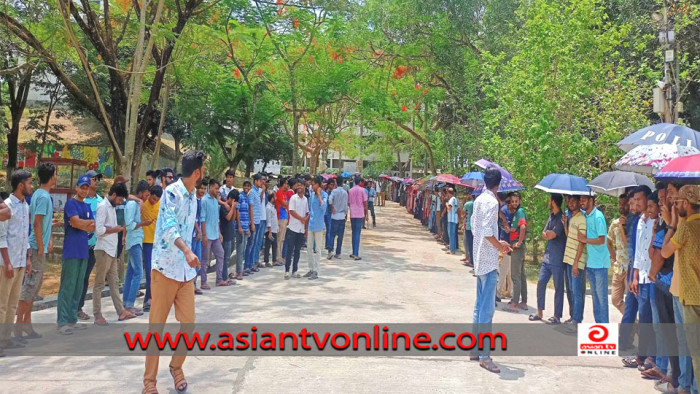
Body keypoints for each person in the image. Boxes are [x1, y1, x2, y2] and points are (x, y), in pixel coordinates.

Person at [143, 150, 204, 394]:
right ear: (197, 173)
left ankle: (176, 366)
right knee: (156, 328)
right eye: (203, 171)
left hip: (185, 274)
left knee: (188, 325)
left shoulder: (194, 198)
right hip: (165, 270)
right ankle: (149, 382)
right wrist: (187, 250)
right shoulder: (171, 193)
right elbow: (168, 228)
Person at [471, 166, 512, 374]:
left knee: (479, 307)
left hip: (479, 259)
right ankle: (485, 355)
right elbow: (488, 232)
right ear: (499, 183)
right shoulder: (492, 202)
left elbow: (475, 227)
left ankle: (475, 349)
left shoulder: (479, 200)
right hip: (487, 262)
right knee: (487, 310)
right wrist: (501, 246)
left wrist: (497, 241)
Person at [661, 184, 700, 391]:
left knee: (693, 350)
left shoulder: (685, 227)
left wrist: (672, 225)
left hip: (690, 296)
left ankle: (691, 388)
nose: (674, 205)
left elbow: (665, 252)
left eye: (677, 202)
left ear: (686, 203)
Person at [15, 162, 56, 340]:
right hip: (35, 247)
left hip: (39, 246)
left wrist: (48, 239)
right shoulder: (43, 197)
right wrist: (40, 246)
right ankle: (17, 328)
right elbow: (37, 222)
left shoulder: (41, 195)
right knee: (29, 289)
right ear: (52, 175)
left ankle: (27, 324)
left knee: (34, 290)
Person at [55, 174, 95, 335]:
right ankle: (62, 321)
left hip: (83, 251)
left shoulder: (86, 207)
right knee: (67, 286)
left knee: (78, 286)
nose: (84, 190)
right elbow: (75, 222)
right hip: (71, 250)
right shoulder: (71, 204)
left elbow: (92, 226)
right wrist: (83, 224)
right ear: (77, 188)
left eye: (87, 188)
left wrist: (82, 224)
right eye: (82, 187)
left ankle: (72, 319)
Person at [0, 170, 33, 352]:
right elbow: (1, 237)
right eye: (29, 182)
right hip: (7, 263)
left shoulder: (25, 206)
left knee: (13, 303)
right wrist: (8, 262)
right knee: (2, 304)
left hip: (20, 261)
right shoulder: (7, 206)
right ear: (21, 185)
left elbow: (24, 235)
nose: (31, 186)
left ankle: (6, 338)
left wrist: (27, 258)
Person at [93, 182, 134, 325]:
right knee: (99, 284)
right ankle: (97, 314)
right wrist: (114, 230)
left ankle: (121, 311)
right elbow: (98, 230)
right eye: (119, 199)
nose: (120, 202)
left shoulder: (112, 207)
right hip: (103, 249)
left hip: (112, 250)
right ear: (114, 195)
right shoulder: (102, 207)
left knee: (114, 283)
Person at [530, 194, 566, 324]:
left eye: (550, 200)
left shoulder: (562, 218)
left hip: (558, 258)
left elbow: (551, 234)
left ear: (553, 202)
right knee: (541, 282)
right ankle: (539, 312)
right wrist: (548, 234)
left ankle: (557, 316)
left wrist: (549, 234)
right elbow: (544, 234)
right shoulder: (551, 216)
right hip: (547, 257)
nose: (548, 202)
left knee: (558, 287)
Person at [578, 193, 611, 324]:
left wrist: (584, 240)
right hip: (591, 263)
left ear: (591, 200)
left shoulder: (598, 217)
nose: (581, 202)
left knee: (602, 300)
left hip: (600, 265)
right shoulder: (586, 216)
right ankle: (599, 327)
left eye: (584, 199)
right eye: (580, 200)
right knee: (595, 298)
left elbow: (602, 240)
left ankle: (605, 328)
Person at [77, 170, 103, 321]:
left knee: (85, 277)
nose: (96, 181)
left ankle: (79, 307)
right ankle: (73, 307)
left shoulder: (100, 201)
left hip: (94, 246)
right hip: (81, 244)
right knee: (78, 277)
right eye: (94, 179)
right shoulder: (82, 200)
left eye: (97, 179)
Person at [123, 181, 152, 315]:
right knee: (138, 273)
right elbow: (129, 225)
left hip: (136, 240)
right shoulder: (131, 205)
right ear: (140, 193)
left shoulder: (136, 204)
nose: (146, 197)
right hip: (133, 241)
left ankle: (126, 303)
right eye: (145, 194)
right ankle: (129, 304)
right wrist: (143, 224)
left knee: (130, 272)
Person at [562, 195, 586, 329]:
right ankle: (573, 317)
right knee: (571, 290)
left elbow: (582, 242)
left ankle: (577, 320)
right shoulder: (572, 218)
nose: (570, 203)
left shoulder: (582, 219)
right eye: (568, 201)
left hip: (576, 261)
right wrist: (565, 224)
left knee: (577, 292)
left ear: (578, 202)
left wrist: (576, 262)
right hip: (568, 259)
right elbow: (570, 236)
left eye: (572, 200)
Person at [201, 178, 228, 288]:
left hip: (215, 234)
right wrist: (203, 235)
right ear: (211, 187)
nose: (217, 191)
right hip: (207, 234)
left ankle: (219, 279)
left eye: (218, 189)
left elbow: (217, 219)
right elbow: (202, 219)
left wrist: (219, 233)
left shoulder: (215, 201)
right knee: (205, 259)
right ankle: (203, 282)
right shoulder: (204, 201)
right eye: (216, 188)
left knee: (221, 254)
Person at [608, 194, 630, 315]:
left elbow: (628, 243)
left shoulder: (633, 222)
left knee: (632, 299)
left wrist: (624, 226)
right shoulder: (615, 223)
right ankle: (634, 323)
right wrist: (614, 257)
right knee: (615, 300)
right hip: (618, 267)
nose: (621, 206)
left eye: (624, 203)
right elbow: (608, 242)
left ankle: (631, 324)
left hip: (630, 267)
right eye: (620, 203)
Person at [506, 192, 528, 312]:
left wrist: (518, 242)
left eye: (516, 201)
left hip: (517, 249)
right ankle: (523, 301)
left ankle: (514, 303)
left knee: (515, 275)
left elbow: (523, 227)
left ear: (519, 201)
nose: (514, 203)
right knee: (522, 275)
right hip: (518, 247)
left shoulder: (520, 212)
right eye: (512, 201)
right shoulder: (515, 214)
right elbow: (518, 228)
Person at [141, 185, 161, 312]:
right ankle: (148, 299)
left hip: (157, 243)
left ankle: (154, 298)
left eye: (156, 199)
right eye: (153, 198)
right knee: (148, 271)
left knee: (156, 272)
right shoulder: (143, 204)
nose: (154, 201)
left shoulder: (161, 206)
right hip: (146, 242)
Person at [305, 175, 327, 280]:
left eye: (313, 184)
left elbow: (324, 208)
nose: (312, 186)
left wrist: (319, 196)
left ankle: (317, 271)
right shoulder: (311, 196)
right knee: (309, 248)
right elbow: (310, 210)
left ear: (318, 185)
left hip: (319, 225)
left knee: (318, 249)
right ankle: (311, 268)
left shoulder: (324, 195)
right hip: (311, 224)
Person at [285, 179, 308, 279]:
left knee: (297, 250)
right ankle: (287, 270)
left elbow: (307, 213)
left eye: (301, 186)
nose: (299, 187)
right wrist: (301, 219)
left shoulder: (305, 199)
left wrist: (306, 227)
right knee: (290, 250)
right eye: (298, 186)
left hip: (301, 229)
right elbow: (292, 211)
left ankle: (295, 270)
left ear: (304, 187)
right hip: (293, 227)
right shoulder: (293, 198)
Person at [245, 174, 264, 272]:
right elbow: (251, 208)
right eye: (260, 181)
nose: (261, 183)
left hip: (258, 220)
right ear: (256, 181)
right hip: (254, 221)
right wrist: (252, 223)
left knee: (255, 243)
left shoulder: (257, 192)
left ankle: (252, 264)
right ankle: (247, 265)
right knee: (250, 244)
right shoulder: (252, 192)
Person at [328, 177, 348, 260]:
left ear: (336, 182)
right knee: (340, 236)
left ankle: (330, 250)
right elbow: (346, 205)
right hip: (342, 215)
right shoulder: (345, 193)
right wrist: (346, 214)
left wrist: (332, 207)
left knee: (332, 234)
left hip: (334, 215)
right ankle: (338, 252)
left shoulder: (334, 191)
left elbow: (329, 200)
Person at [348, 176, 368, 261]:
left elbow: (348, 203)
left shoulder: (350, 190)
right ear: (360, 182)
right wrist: (366, 214)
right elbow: (365, 203)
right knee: (357, 233)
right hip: (360, 213)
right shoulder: (362, 190)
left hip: (353, 213)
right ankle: (356, 253)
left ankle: (354, 252)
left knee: (353, 232)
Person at [221, 188, 239, 280]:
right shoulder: (224, 207)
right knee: (225, 258)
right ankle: (224, 277)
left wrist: (234, 208)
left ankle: (225, 275)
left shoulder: (231, 208)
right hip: (225, 235)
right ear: (231, 199)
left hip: (231, 234)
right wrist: (232, 207)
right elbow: (228, 218)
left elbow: (233, 218)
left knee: (228, 256)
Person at [193, 181, 206, 294]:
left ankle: (194, 284)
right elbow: (193, 218)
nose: (202, 191)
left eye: (204, 188)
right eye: (201, 188)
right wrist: (198, 231)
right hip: (193, 235)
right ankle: (191, 285)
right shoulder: (193, 200)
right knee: (193, 261)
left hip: (199, 234)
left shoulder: (201, 201)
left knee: (198, 261)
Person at [236, 182, 251, 279]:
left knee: (244, 249)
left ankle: (241, 270)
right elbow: (237, 210)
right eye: (245, 186)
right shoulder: (240, 196)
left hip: (246, 227)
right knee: (240, 250)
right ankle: (239, 271)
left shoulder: (247, 197)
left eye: (248, 186)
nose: (246, 188)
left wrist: (248, 227)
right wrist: (239, 226)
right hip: (241, 227)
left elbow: (248, 212)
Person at [275, 177, 290, 265]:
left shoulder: (284, 193)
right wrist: (285, 204)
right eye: (286, 183)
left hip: (284, 216)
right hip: (280, 216)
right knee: (279, 238)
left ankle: (280, 256)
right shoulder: (279, 192)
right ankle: (278, 256)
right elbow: (285, 203)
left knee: (282, 238)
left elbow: (287, 203)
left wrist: (286, 204)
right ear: (283, 184)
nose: (287, 185)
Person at [264, 192, 279, 267]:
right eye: (275, 197)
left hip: (274, 229)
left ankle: (274, 260)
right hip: (270, 230)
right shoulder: (268, 207)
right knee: (268, 245)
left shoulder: (273, 207)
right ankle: (266, 261)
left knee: (274, 245)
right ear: (272, 198)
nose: (276, 198)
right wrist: (269, 231)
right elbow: (268, 220)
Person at [461, 193, 474, 267]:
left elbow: (464, 215)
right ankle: (471, 259)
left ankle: (471, 260)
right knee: (473, 244)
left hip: (468, 226)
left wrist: (463, 224)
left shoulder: (467, 204)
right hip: (475, 227)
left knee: (469, 244)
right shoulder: (477, 204)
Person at [445, 188, 459, 255]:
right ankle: (452, 247)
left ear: (448, 193)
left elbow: (449, 208)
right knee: (452, 234)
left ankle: (452, 249)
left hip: (451, 219)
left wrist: (446, 204)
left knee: (451, 234)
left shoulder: (451, 200)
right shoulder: (455, 199)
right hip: (454, 218)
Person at [324, 179, 335, 255]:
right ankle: (328, 244)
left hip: (330, 213)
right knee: (328, 229)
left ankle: (328, 244)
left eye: (333, 184)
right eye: (330, 184)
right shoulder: (326, 193)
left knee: (330, 229)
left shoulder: (334, 193)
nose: (332, 186)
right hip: (326, 213)